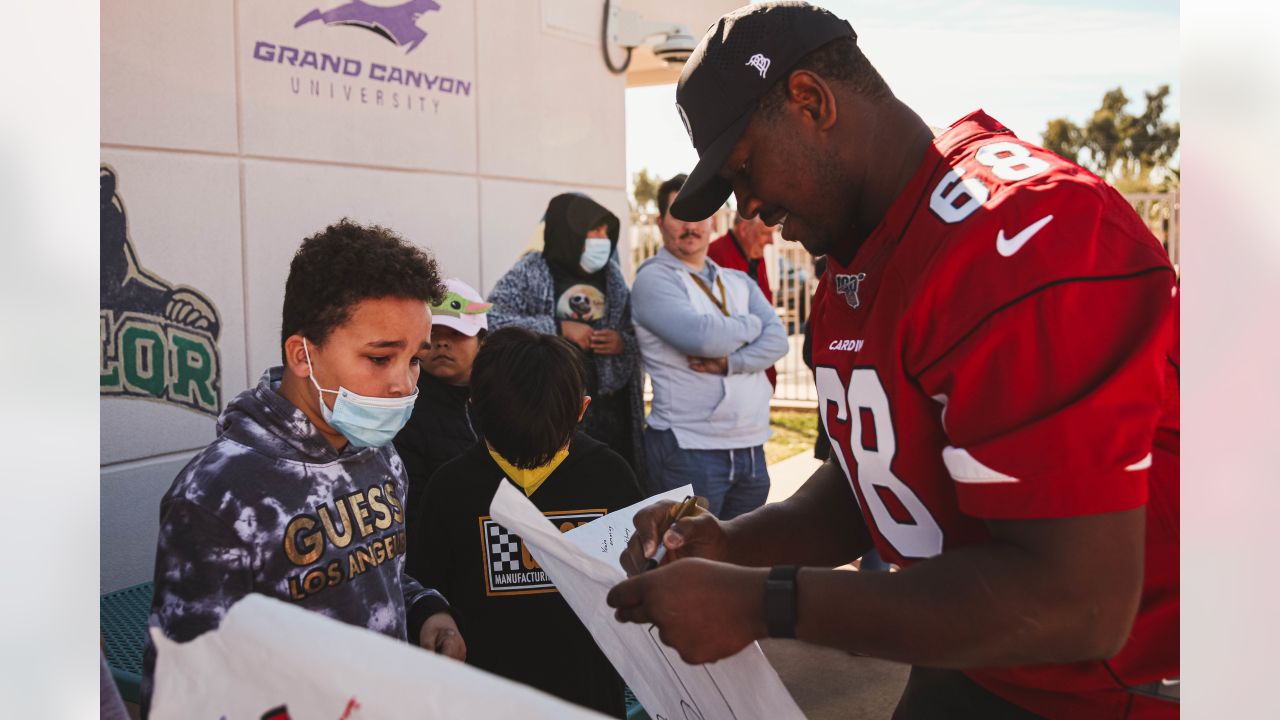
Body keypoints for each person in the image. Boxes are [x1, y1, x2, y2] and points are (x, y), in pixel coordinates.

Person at [607, 4, 1179, 719]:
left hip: (1103, 690)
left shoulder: (1024, 233)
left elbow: (1078, 600)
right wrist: (732, 544)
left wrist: (766, 603)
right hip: (980, 660)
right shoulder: (863, 244)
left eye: (746, 166)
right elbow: (873, 473)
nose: (750, 204)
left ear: (810, 101)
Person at [140, 220, 466, 716]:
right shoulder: (219, 493)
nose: (404, 384)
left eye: (414, 359)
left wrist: (425, 610)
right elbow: (185, 690)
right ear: (302, 354)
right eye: (380, 358)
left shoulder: (378, 452)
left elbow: (378, 573)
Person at [407, 326, 641, 717]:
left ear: (473, 403)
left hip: (590, 698)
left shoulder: (611, 476)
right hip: (483, 702)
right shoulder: (450, 487)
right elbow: (426, 589)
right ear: (582, 409)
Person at [631, 174, 788, 519]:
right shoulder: (653, 279)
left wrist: (730, 363)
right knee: (686, 565)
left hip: (750, 449)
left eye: (699, 214)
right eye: (678, 214)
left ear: (713, 220)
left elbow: (778, 341)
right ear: (660, 222)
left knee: (739, 566)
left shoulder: (736, 280)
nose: (690, 225)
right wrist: (751, 324)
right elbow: (703, 338)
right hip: (688, 450)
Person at [487, 193, 646, 481]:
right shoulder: (530, 271)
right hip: (548, 409)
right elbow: (492, 320)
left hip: (609, 415)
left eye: (606, 232)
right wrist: (557, 329)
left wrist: (621, 342)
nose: (603, 239)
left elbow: (638, 335)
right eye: (593, 230)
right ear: (568, 232)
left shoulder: (613, 277)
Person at [394, 277, 490, 543]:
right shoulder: (403, 406)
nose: (443, 343)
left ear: (481, 341)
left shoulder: (501, 402)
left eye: (457, 334)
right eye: (433, 334)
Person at [708, 210, 779, 388]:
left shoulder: (754, 255)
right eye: (765, 234)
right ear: (744, 229)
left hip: (756, 367)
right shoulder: (715, 257)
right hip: (732, 375)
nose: (771, 241)